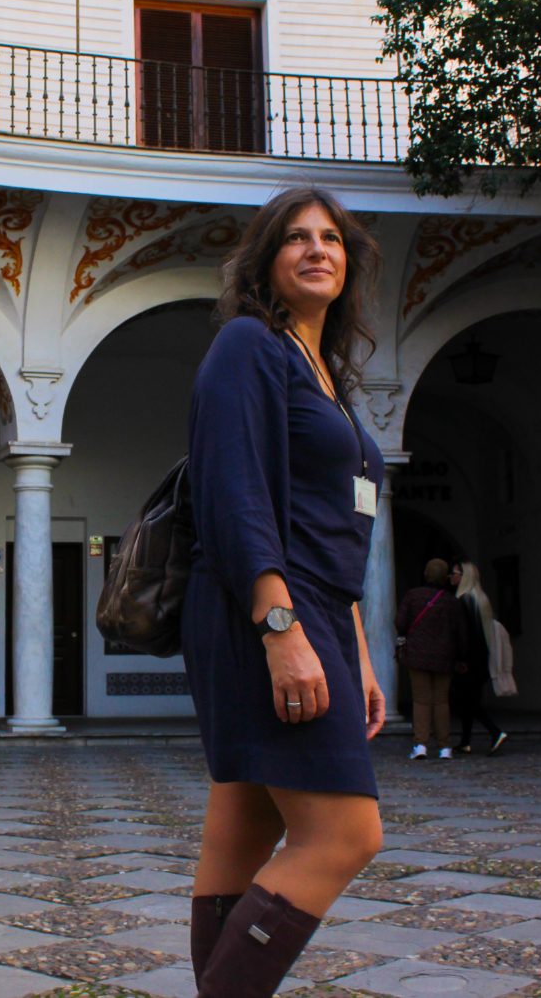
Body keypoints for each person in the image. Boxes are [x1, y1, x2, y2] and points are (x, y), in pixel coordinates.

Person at [181, 186, 386, 998]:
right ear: (266, 259)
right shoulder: (248, 346)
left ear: (349, 261)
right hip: (262, 608)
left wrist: (360, 654)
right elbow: (233, 495)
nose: (317, 249)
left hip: (317, 613)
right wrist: (281, 628)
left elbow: (342, 530)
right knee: (345, 834)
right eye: (295, 237)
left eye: (332, 237)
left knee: (244, 829)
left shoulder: (326, 373)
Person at [394, 559, 467, 761]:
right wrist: (461, 657)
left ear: (426, 574)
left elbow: (400, 622)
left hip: (417, 655)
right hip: (444, 656)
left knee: (421, 700)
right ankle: (445, 747)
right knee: (442, 702)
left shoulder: (413, 596)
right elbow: (461, 632)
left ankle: (421, 744)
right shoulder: (451, 601)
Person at [452, 561, 509, 755]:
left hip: (468, 661)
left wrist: (460, 658)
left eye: (455, 573)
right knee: (469, 701)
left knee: (468, 703)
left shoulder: (464, 600)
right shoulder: (480, 599)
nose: (452, 577)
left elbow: (464, 634)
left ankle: (495, 732)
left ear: (463, 576)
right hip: (480, 659)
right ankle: (465, 741)